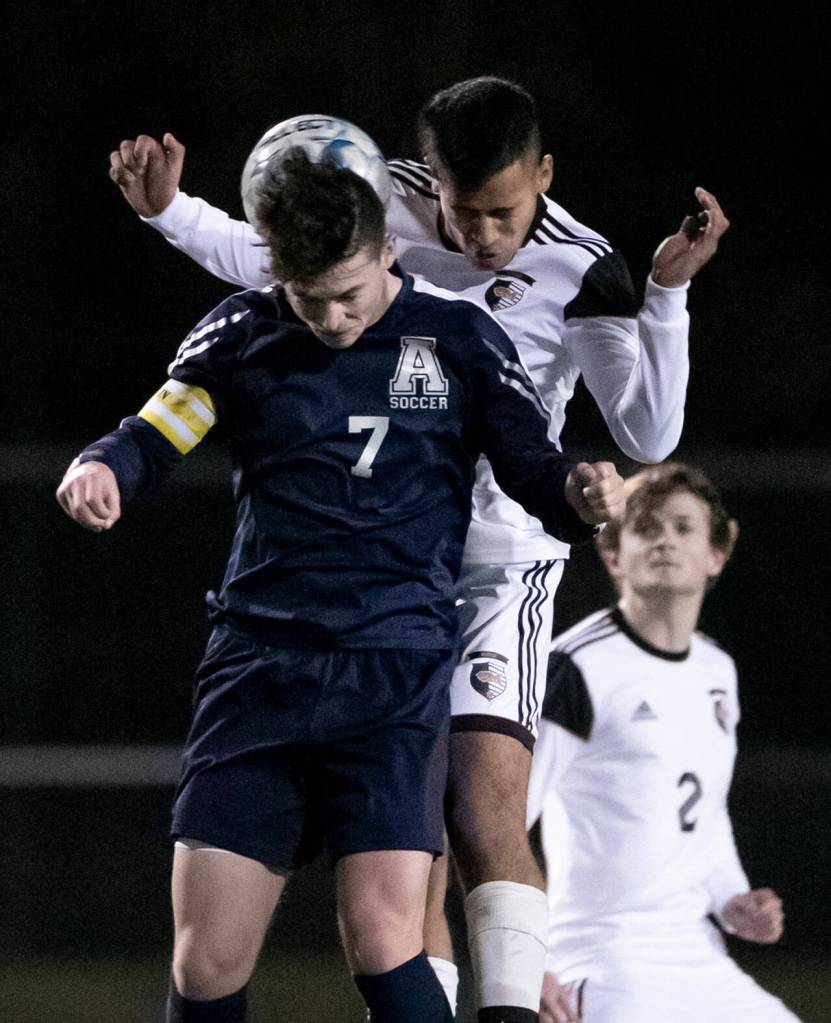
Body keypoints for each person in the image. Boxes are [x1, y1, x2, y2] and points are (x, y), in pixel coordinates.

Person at [107, 76, 729, 1022]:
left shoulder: (582, 266)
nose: (481, 236)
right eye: (460, 208)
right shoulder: (371, 200)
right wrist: (170, 214)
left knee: (481, 807)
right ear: (421, 179)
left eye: (504, 212)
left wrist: (667, 297)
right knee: (403, 867)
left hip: (497, 557)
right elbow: (275, 260)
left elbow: (644, 431)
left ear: (545, 176)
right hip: (371, 564)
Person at [527, 463, 801, 1023]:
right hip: (601, 960)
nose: (665, 540)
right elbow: (500, 819)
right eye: (646, 527)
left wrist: (732, 899)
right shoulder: (574, 668)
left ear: (715, 556)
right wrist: (524, 957)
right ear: (613, 555)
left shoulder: (716, 670)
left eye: (683, 527)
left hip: (700, 955)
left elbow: (705, 810)